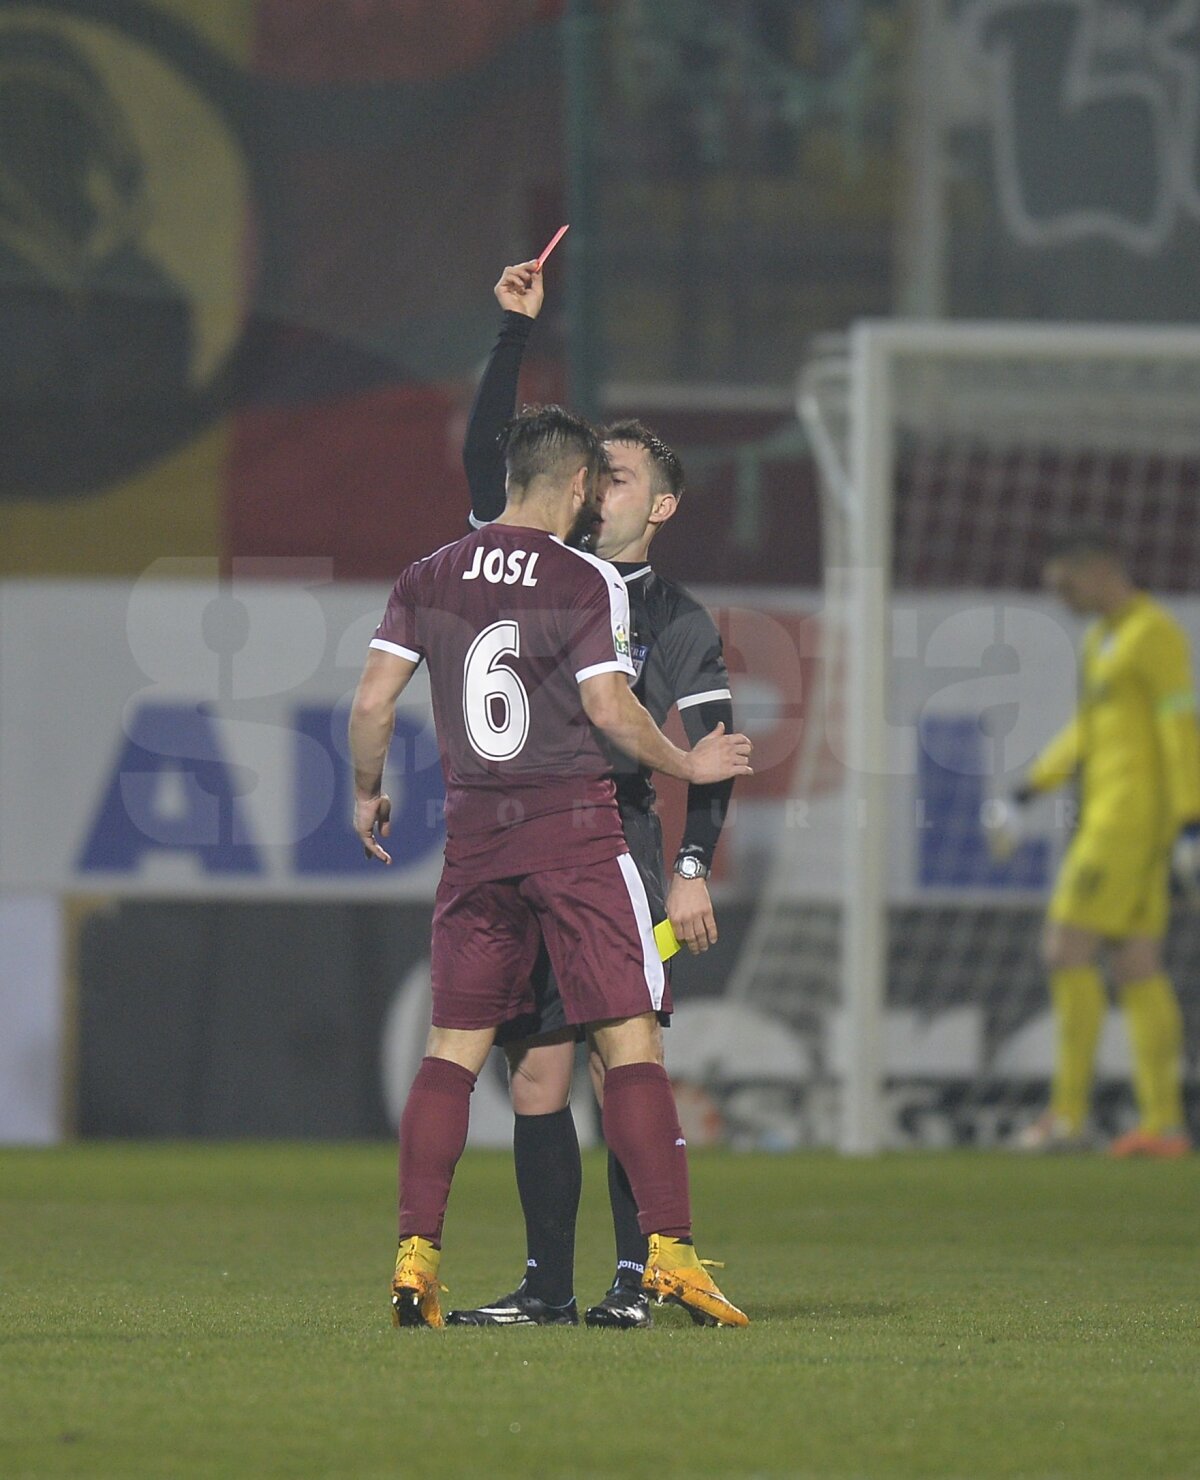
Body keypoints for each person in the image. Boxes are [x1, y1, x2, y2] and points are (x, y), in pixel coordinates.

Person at [349, 403, 754, 1328]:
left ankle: (416, 1259)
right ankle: (670, 1258)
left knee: (452, 1053)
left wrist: (365, 791)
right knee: (630, 1044)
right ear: (576, 484)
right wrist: (686, 763)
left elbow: (371, 705)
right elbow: (611, 711)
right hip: (575, 841)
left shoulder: (428, 573)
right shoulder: (584, 578)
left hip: (475, 846)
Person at [444, 262, 736, 1330]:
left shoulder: (679, 619)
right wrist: (512, 334)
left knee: (624, 1067)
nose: (592, 486)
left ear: (658, 505)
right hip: (527, 840)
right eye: (589, 472)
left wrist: (692, 867)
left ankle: (638, 1276)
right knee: (535, 1079)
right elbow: (491, 457)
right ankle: (546, 1288)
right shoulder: (537, 565)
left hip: (618, 845)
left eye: (615, 476)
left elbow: (711, 751)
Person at [988, 529, 1200, 1156]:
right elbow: (1090, 731)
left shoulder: (1153, 633)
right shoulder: (1102, 639)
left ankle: (1068, 1116)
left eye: (1067, 584)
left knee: (1065, 949)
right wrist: (1030, 788)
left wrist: (1192, 819)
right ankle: (1164, 1126)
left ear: (1101, 569)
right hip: (1117, 819)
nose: (1063, 598)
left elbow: (1180, 727)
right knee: (1136, 964)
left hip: (1127, 823)